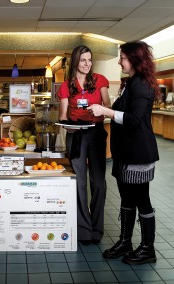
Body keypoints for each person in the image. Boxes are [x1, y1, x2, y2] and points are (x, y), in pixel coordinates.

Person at [88, 41, 159, 265]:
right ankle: (125, 241)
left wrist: (105, 111)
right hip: (125, 153)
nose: (120, 61)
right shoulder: (132, 82)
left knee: (142, 200)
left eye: (123, 58)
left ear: (135, 59)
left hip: (138, 154)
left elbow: (134, 119)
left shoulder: (142, 85)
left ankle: (148, 248)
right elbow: (122, 110)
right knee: (127, 199)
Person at [57, 45, 111, 245]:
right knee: (79, 183)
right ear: (75, 62)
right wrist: (67, 127)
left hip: (96, 133)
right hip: (76, 134)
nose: (87, 64)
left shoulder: (100, 80)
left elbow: (107, 106)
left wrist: (101, 109)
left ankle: (97, 228)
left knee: (98, 183)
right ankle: (84, 230)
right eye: (83, 60)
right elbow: (63, 116)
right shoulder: (66, 86)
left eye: (89, 60)